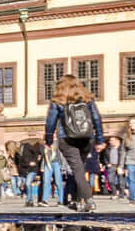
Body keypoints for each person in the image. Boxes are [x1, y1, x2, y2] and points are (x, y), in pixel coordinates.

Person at [43, 73, 102, 212]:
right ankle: (76, 200)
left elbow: (50, 122)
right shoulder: (88, 99)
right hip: (86, 138)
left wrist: (49, 139)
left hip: (67, 138)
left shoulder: (58, 101)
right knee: (79, 169)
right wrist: (99, 138)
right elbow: (96, 118)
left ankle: (89, 200)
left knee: (77, 171)